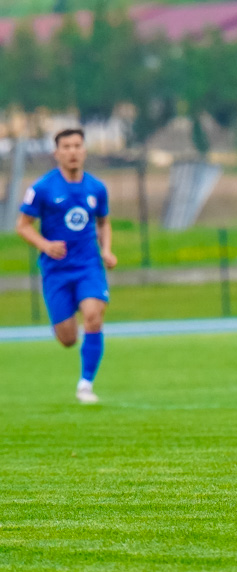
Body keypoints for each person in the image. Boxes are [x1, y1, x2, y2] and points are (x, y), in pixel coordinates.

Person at [16, 128, 116, 404]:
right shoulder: (42, 188)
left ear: (84, 150)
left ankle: (85, 384)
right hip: (56, 271)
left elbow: (103, 222)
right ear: (56, 153)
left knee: (94, 316)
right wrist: (45, 245)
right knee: (68, 339)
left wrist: (106, 250)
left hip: (88, 266)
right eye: (67, 147)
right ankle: (65, 314)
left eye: (77, 146)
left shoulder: (96, 188)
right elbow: (22, 226)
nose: (73, 151)